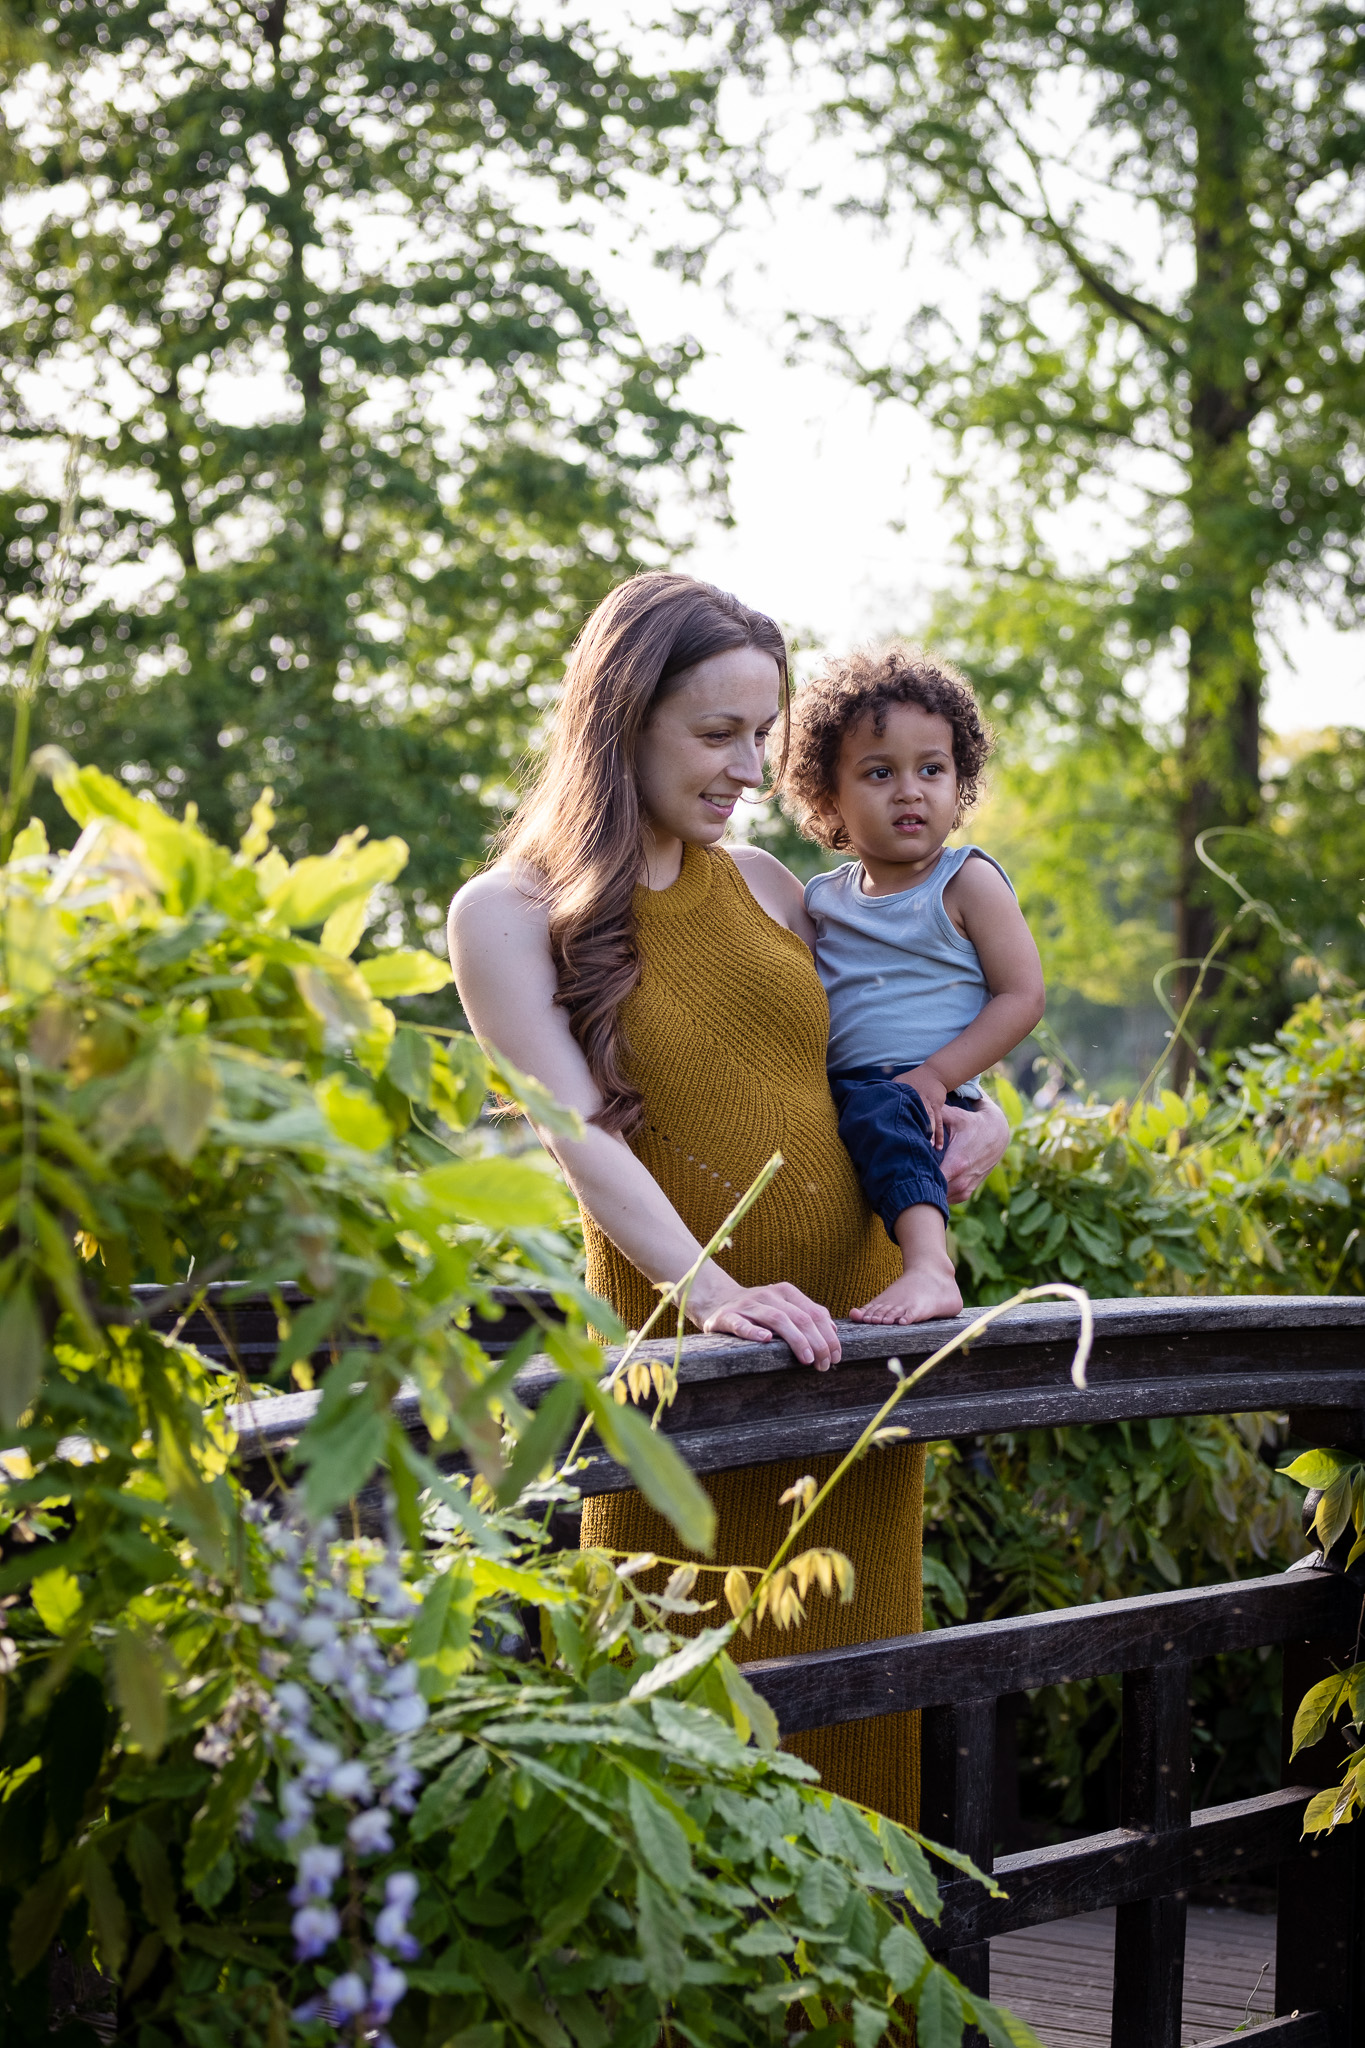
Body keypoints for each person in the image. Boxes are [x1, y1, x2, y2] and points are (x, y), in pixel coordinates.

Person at [447, 573, 1010, 1825]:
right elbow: (575, 1132)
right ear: (619, 718)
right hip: (692, 1376)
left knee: (857, 1745)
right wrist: (712, 1293)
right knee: (689, 1743)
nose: (754, 766)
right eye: (719, 733)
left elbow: (873, 1056)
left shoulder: (763, 881)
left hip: (858, 1359)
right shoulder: (506, 911)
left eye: (762, 732)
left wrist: (984, 1111)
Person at [784, 646, 1046, 1327]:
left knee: (882, 1118)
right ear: (826, 797)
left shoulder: (964, 883)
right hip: (854, 1086)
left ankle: (932, 1269)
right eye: (879, 773)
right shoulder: (823, 899)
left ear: (957, 782)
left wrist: (935, 1076)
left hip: (921, 1087)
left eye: (931, 769)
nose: (910, 790)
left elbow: (1021, 996)